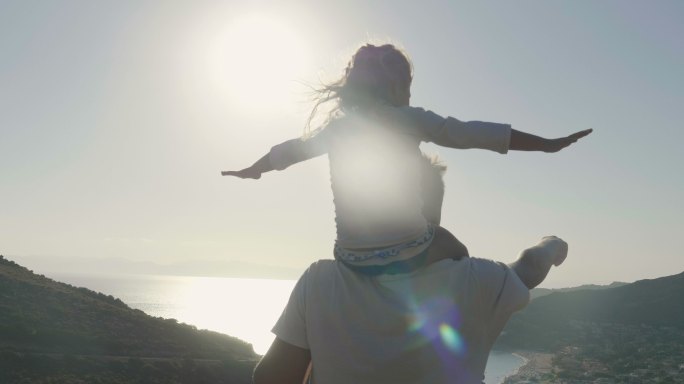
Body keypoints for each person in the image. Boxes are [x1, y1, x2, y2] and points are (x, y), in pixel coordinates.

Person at [222, 43, 591, 274]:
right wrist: (546, 144)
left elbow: (288, 150)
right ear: (398, 88)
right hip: (410, 248)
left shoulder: (335, 130)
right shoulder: (410, 120)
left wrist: (253, 170)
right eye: (408, 86)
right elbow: (475, 133)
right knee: (457, 251)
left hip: (349, 257)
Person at [252, 236, 569, 384]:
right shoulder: (478, 280)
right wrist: (553, 244)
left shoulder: (320, 279)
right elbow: (531, 264)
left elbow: (271, 377)